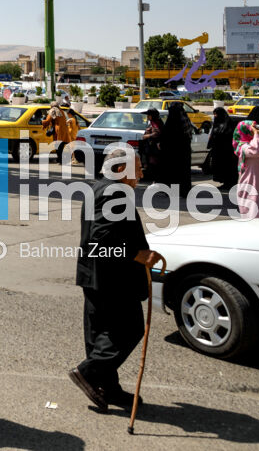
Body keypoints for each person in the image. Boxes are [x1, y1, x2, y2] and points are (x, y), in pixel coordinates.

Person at [69, 145, 165, 411]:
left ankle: (107, 388)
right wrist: (138, 255)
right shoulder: (114, 192)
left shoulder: (100, 187)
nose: (142, 173)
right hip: (111, 278)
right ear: (120, 168)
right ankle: (88, 372)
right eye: (138, 167)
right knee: (129, 328)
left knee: (102, 334)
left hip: (96, 274)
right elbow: (101, 237)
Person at [159, 103, 192, 193]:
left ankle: (173, 190)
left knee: (173, 171)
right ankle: (184, 190)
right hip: (185, 151)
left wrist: (162, 144)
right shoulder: (185, 120)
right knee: (184, 172)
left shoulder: (173, 121)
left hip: (173, 152)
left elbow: (167, 136)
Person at [207, 106, 238, 191]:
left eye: (216, 114)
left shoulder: (229, 124)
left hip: (228, 152)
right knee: (221, 168)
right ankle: (225, 183)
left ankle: (230, 184)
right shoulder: (217, 123)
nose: (215, 116)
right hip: (219, 151)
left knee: (228, 168)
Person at [139, 108, 164, 184]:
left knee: (155, 165)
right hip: (151, 148)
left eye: (149, 115)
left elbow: (157, 133)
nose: (147, 117)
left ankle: (157, 182)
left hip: (156, 149)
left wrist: (147, 136)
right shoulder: (152, 122)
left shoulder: (157, 123)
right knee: (151, 165)